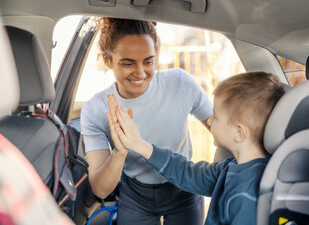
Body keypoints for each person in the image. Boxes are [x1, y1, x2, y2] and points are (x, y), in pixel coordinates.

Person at [80, 18, 213, 225]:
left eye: (148, 61)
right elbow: (100, 189)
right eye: (128, 63)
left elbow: (223, 129)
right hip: (136, 196)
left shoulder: (180, 83)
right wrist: (120, 152)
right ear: (108, 60)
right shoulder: (95, 110)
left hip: (184, 188)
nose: (140, 73)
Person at [108, 72, 285, 224]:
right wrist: (138, 144)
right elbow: (188, 173)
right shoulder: (231, 167)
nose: (209, 121)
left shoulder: (246, 195)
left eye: (215, 117)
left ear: (238, 133)